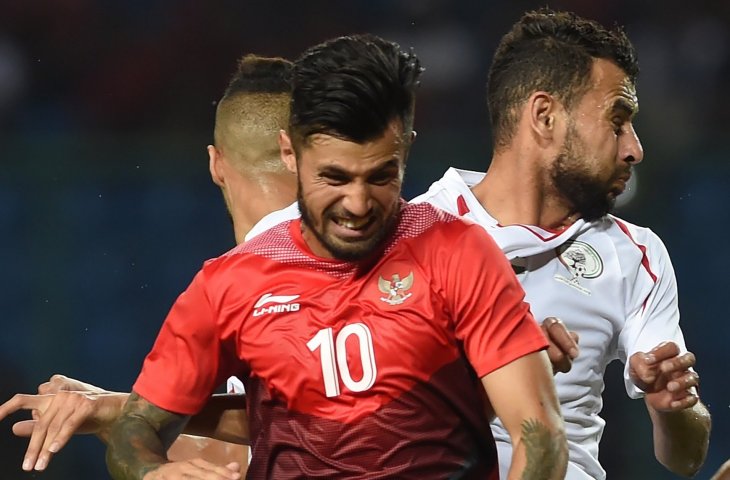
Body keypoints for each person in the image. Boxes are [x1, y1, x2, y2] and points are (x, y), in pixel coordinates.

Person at [104, 33, 567, 480]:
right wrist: (152, 472)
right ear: (290, 152)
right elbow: (137, 428)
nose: (359, 204)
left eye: (381, 177)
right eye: (335, 178)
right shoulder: (229, 285)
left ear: (405, 149)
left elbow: (540, 434)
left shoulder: (458, 253)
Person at [410, 9, 711, 479]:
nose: (634, 148)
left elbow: (686, 457)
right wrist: (517, 368)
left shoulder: (636, 254)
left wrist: (672, 403)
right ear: (545, 117)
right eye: (618, 120)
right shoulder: (414, 234)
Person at [0, 53, 297, 475]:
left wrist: (118, 410)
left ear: (215, 164)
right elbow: (258, 455)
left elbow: (316, 421)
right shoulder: (379, 247)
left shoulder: (232, 286)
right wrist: (123, 414)